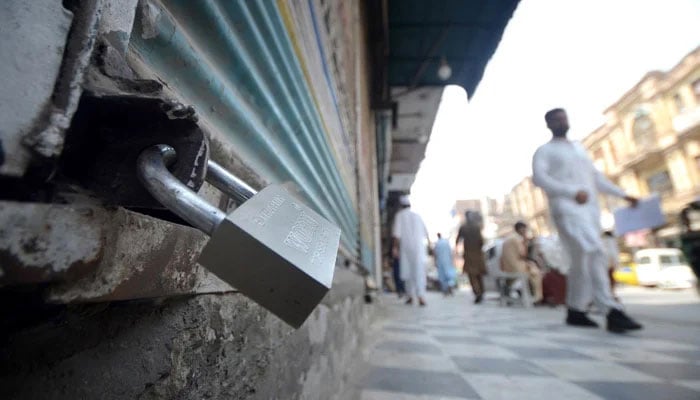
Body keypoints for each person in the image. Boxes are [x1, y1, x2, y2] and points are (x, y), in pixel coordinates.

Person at [532, 108, 643, 333]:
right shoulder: (544, 151)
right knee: (594, 251)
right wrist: (571, 192)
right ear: (548, 124)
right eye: (555, 119)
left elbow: (595, 178)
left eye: (563, 117)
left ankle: (575, 310)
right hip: (567, 209)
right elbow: (540, 178)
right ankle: (611, 311)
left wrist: (622, 194)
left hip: (590, 212)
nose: (561, 121)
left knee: (581, 261)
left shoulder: (579, 149)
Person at [392, 195, 430, 306]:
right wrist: (430, 247)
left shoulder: (399, 216)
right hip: (419, 248)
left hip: (406, 248)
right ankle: (420, 296)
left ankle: (411, 296)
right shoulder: (417, 216)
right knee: (419, 271)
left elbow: (397, 235)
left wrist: (395, 248)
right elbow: (426, 234)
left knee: (407, 271)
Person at [500, 222, 543, 303]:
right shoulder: (518, 239)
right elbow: (522, 254)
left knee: (531, 267)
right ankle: (537, 297)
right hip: (516, 266)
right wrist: (526, 243)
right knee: (535, 272)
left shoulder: (509, 238)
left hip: (507, 267)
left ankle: (515, 292)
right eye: (525, 229)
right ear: (521, 229)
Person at [456, 211, 487, 303]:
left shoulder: (464, 227)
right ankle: (480, 293)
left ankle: (478, 293)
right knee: (478, 275)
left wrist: (458, 251)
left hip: (470, 255)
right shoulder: (476, 227)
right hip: (477, 254)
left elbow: (458, 240)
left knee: (473, 276)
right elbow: (481, 241)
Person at [602, 231, 620, 299]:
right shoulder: (612, 242)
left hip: (604, 263)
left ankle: (610, 293)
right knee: (610, 278)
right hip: (609, 263)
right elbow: (614, 254)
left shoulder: (603, 241)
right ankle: (611, 293)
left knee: (607, 278)